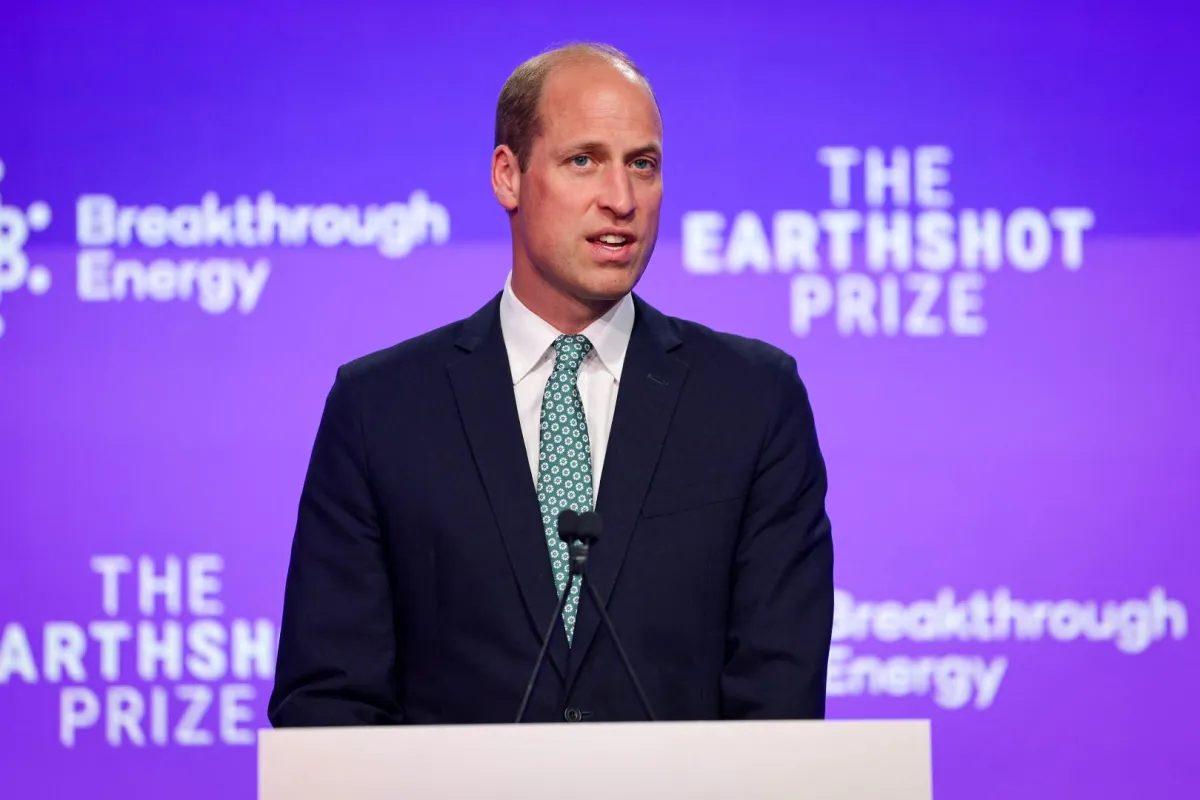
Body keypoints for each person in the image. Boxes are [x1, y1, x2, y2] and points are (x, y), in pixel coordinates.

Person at [268, 42, 833, 726]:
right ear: (508, 176)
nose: (621, 199)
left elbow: (779, 696)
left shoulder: (752, 400)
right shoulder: (380, 409)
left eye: (643, 165)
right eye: (583, 161)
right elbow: (329, 699)